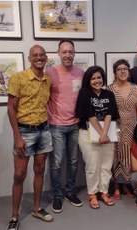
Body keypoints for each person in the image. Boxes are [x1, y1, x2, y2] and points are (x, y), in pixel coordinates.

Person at [7, 45, 53, 230]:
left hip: (44, 131)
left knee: (40, 170)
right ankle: (14, 216)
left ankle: (36, 208)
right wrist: (17, 137)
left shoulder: (47, 80)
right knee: (19, 175)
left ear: (46, 58)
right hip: (24, 132)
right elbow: (11, 108)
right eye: (35, 55)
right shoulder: (18, 78)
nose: (39, 58)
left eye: (42, 55)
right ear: (29, 58)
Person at [46, 39, 84, 213]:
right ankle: (57, 196)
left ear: (74, 53)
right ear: (59, 53)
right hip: (56, 125)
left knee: (74, 161)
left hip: (75, 124)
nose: (68, 55)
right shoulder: (50, 73)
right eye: (64, 52)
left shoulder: (81, 73)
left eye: (71, 51)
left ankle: (69, 192)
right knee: (56, 163)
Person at [76, 66, 120, 209]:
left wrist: (104, 133)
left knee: (106, 165)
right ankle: (93, 194)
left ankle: (104, 192)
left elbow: (110, 114)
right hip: (87, 133)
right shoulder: (84, 93)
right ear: (88, 80)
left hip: (107, 134)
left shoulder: (108, 94)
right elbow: (90, 115)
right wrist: (101, 133)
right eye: (93, 78)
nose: (97, 81)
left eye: (99, 77)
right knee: (92, 166)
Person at [107, 59, 137, 200]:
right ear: (115, 72)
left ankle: (126, 185)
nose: (123, 71)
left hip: (132, 127)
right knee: (116, 156)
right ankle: (116, 185)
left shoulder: (135, 88)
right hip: (115, 127)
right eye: (119, 69)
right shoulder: (109, 89)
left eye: (125, 69)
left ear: (128, 71)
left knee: (129, 156)